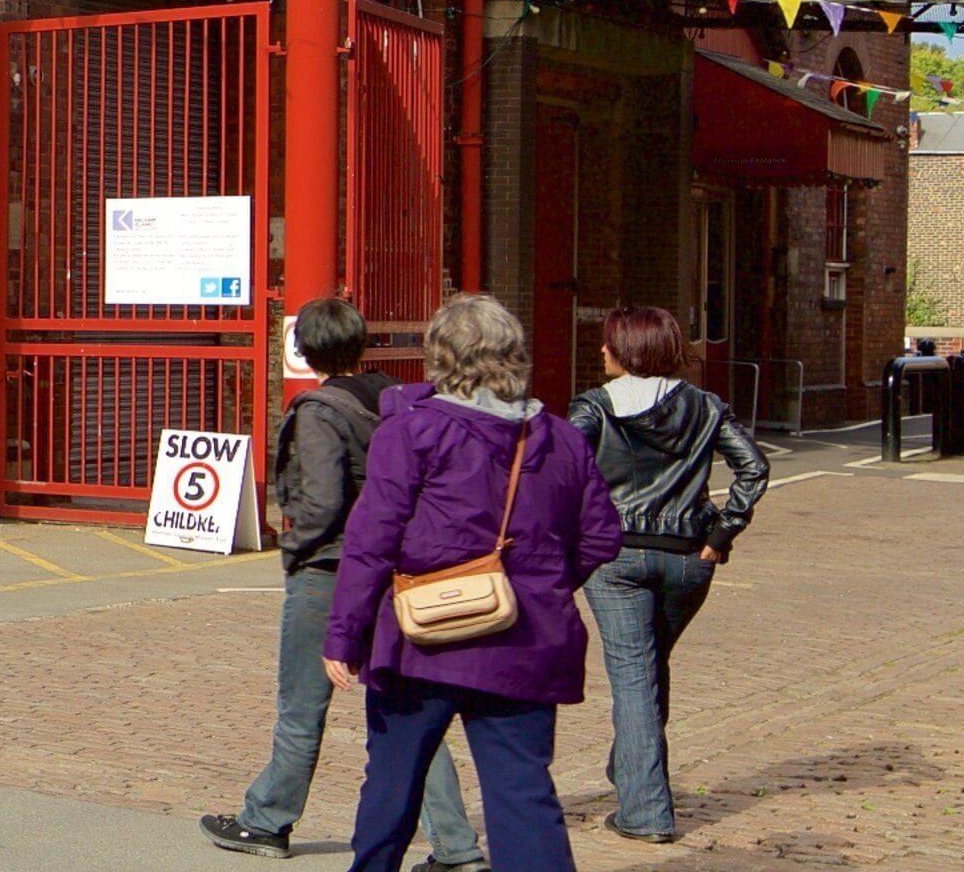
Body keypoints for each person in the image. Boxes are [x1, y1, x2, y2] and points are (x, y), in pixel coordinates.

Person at [326, 293, 622, 872]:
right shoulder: (562, 439)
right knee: (523, 795)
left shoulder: (414, 431)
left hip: (422, 636)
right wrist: (538, 582)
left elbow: (373, 538)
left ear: (439, 355)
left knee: (392, 783)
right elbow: (600, 536)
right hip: (525, 637)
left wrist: (344, 635)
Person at [202, 297, 484, 867]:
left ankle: (267, 819)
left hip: (331, 570)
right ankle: (457, 846)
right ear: (361, 343)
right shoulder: (399, 400)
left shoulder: (318, 412)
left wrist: (294, 548)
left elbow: (323, 501)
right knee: (408, 713)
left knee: (302, 705)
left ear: (304, 351)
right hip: (395, 570)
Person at [570, 304, 767, 844]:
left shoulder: (594, 408)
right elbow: (754, 465)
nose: (601, 351)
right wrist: (723, 533)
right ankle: (633, 772)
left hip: (615, 558)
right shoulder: (705, 405)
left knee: (635, 676)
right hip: (689, 556)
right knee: (651, 667)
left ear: (625, 351)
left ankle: (646, 812)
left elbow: (559, 470)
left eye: (609, 343)